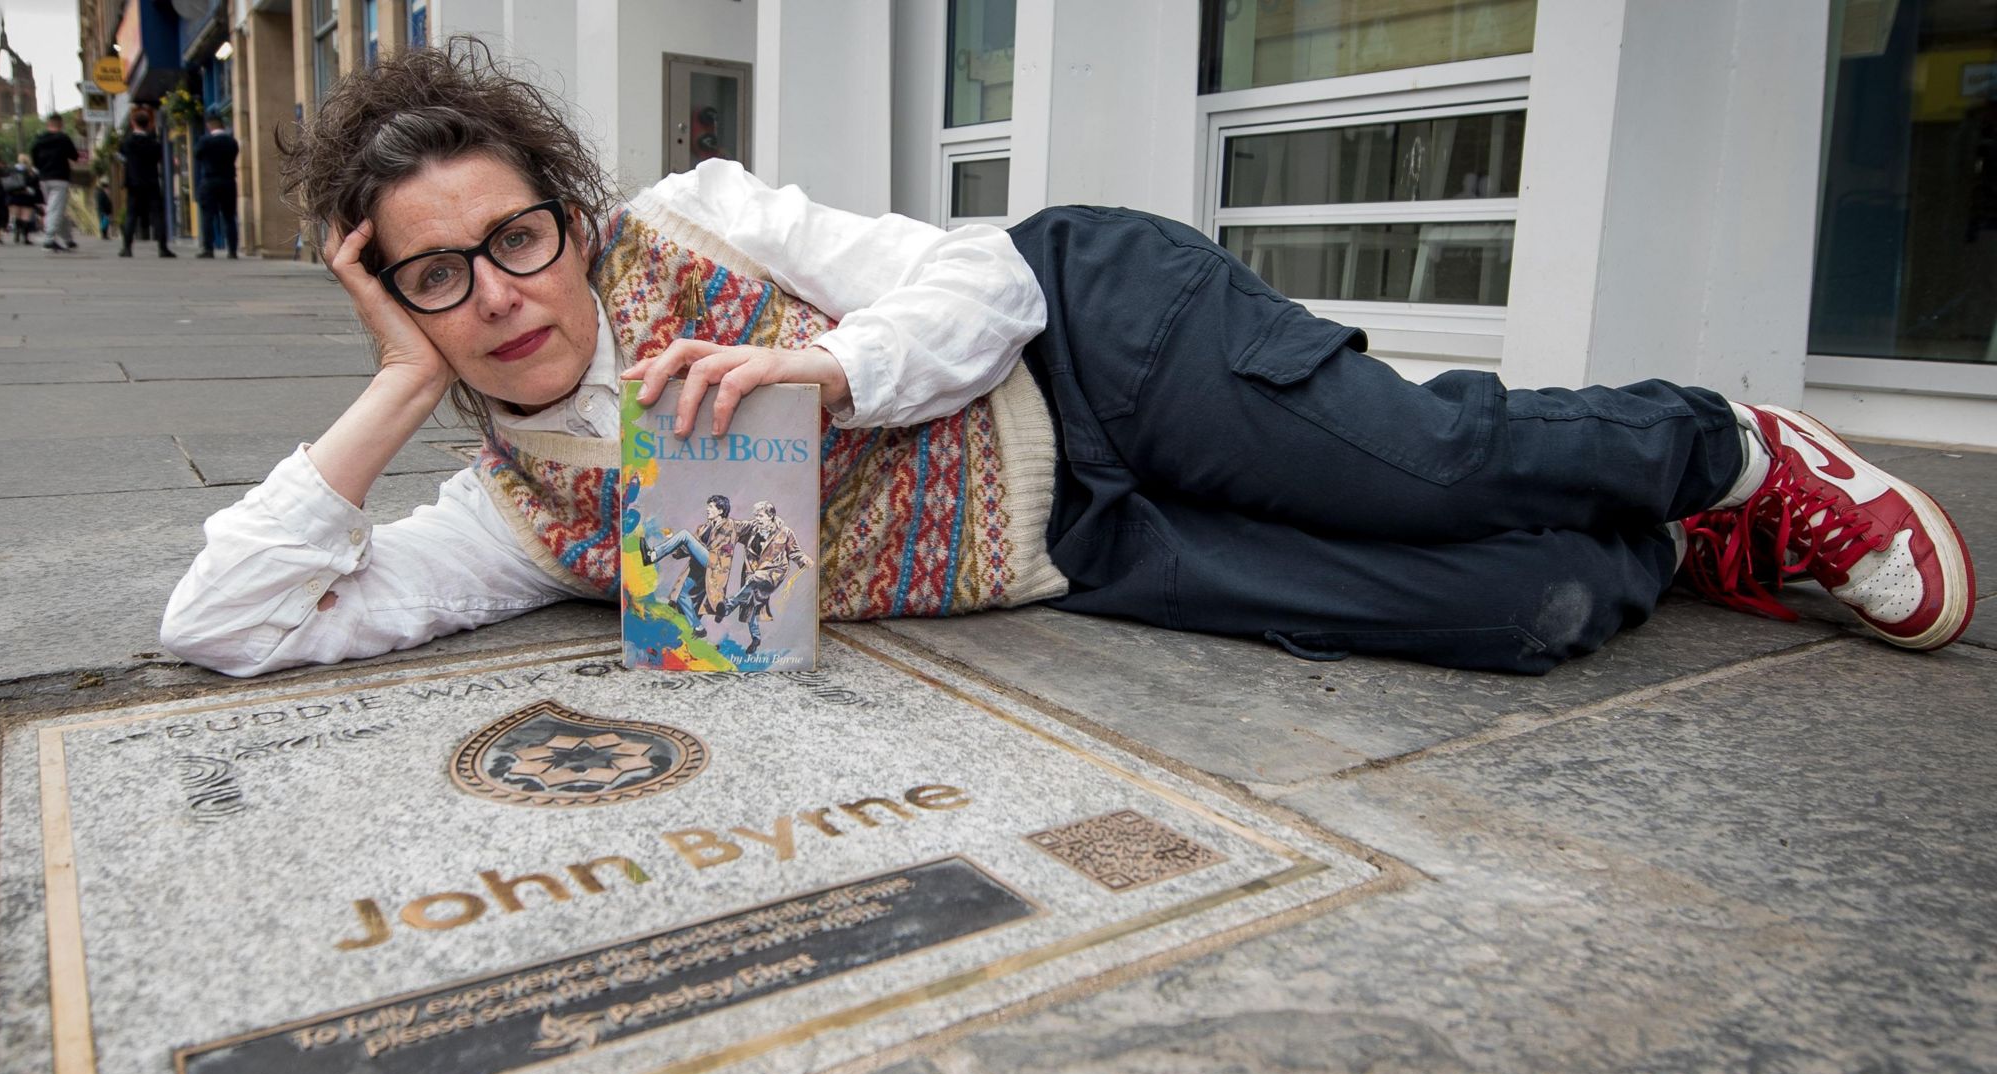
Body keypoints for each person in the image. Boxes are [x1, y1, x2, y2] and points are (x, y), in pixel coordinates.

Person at [161, 42, 1976, 679]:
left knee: (1415, 466)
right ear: (392, 294)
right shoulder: (518, 512)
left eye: (513, 234)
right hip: (1064, 541)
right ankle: (1669, 543)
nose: (495, 291)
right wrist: (396, 391)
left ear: (564, 208)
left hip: (1092, 341)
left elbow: (972, 285)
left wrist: (824, 378)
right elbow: (229, 624)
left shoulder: (700, 221)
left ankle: (1721, 449)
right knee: (1523, 614)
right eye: (433, 278)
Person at [641, 496, 745, 638]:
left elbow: (724, 547)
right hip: (701, 568)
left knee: (684, 534)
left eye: (711, 507)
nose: (707, 509)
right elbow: (686, 548)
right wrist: (672, 542)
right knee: (683, 594)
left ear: (720, 510)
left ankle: (652, 555)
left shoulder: (730, 525)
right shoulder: (703, 528)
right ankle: (698, 627)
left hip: (714, 564)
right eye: (708, 506)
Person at [716, 502, 812, 654]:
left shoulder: (785, 532)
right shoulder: (753, 528)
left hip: (774, 572)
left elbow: (795, 552)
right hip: (752, 572)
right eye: (756, 515)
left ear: (771, 516)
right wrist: (719, 518)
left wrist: (803, 559)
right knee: (750, 605)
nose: (757, 519)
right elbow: (735, 526)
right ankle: (756, 638)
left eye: (760, 516)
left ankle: (729, 605)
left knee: (756, 579)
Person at [119, 105, 175, 258]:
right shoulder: (154, 144)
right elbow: (159, 158)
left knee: (131, 215)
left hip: (134, 183)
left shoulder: (127, 143)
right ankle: (163, 248)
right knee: (157, 215)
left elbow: (122, 155)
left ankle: (127, 248)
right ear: (148, 124)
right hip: (151, 182)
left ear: (133, 124)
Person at [30, 113, 79, 252]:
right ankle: (49, 239)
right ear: (61, 125)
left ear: (48, 124)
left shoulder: (38, 140)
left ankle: (68, 239)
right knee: (55, 208)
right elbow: (74, 156)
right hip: (60, 177)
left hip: (44, 178)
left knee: (57, 208)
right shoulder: (63, 138)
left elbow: (34, 158)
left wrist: (41, 167)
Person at [193, 115, 241, 258]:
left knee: (208, 216)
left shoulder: (205, 141)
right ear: (222, 126)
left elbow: (197, 155)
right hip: (228, 181)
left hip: (210, 180)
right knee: (229, 216)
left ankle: (208, 249)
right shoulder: (231, 142)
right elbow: (234, 154)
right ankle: (232, 250)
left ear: (209, 126)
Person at [5, 154, 42, 244]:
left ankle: (17, 231)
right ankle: (25, 237)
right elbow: (37, 184)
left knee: (16, 216)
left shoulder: (12, 170)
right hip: (27, 196)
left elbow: (7, 182)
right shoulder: (32, 171)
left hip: (14, 195)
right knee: (25, 217)